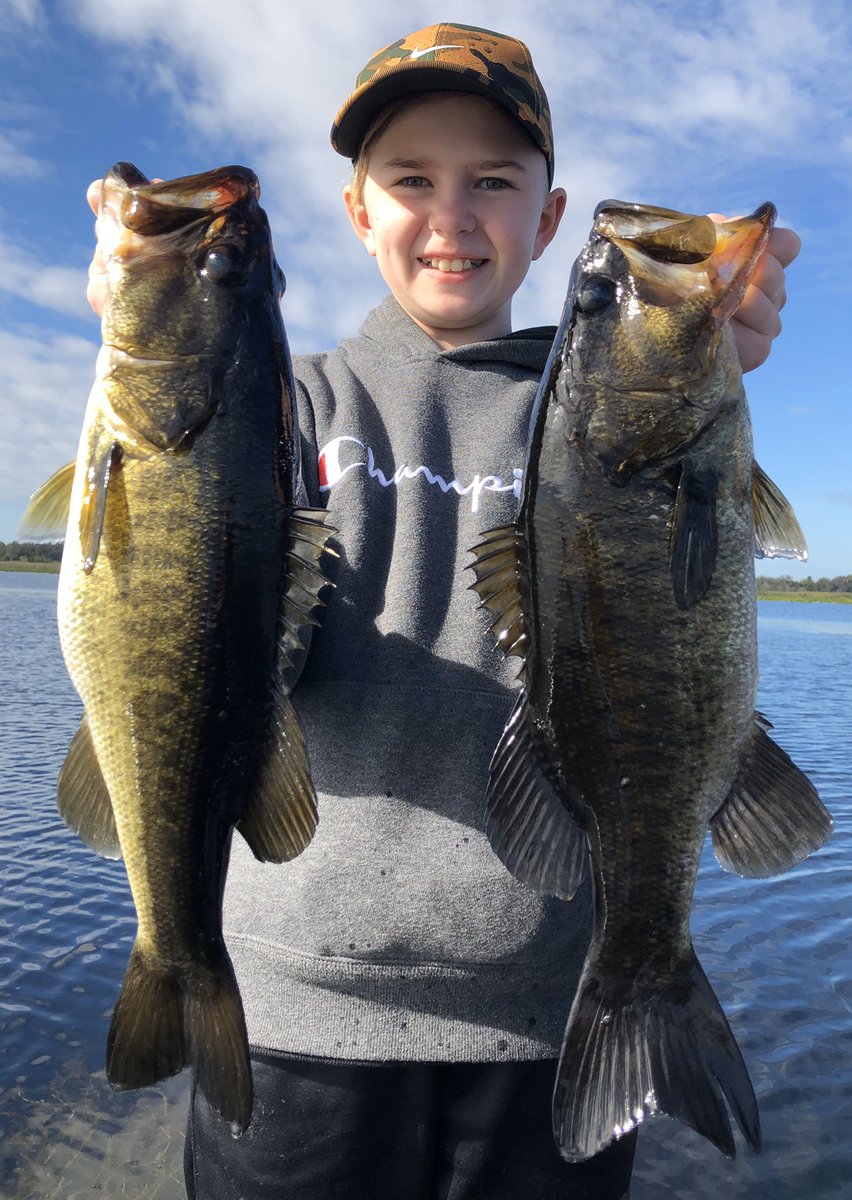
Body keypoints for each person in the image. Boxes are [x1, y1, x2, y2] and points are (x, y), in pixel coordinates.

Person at [85, 23, 800, 1200]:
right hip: (289, 1010)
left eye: (494, 183)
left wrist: (711, 334)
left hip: (553, 1016)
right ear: (358, 210)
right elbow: (201, 627)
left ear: (550, 219)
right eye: (411, 179)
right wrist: (145, 297)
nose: (451, 216)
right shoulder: (281, 399)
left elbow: (672, 521)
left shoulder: (581, 410)